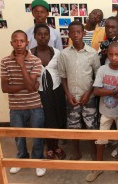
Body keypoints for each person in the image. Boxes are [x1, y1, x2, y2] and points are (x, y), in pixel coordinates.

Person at [0, 30, 46, 177]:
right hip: (15, 106)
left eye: (22, 41)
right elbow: (4, 88)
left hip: (34, 105)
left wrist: (21, 65)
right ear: (11, 43)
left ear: (27, 43)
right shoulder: (5, 61)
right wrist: (28, 86)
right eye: (15, 41)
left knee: (37, 134)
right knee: (18, 135)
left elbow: (31, 85)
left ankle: (38, 160)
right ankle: (21, 158)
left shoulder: (35, 60)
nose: (18, 44)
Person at [58, 21, 101, 162]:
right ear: (68, 34)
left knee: (91, 126)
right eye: (72, 32)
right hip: (71, 97)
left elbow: (97, 76)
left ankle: (94, 152)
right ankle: (76, 152)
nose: (75, 35)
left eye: (78, 32)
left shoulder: (92, 54)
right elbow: (63, 77)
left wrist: (89, 93)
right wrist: (67, 94)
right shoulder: (64, 54)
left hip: (88, 97)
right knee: (73, 126)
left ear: (84, 33)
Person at [91, 42, 118, 182]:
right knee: (101, 138)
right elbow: (96, 91)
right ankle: (98, 165)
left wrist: (110, 92)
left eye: (117, 54)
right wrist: (114, 90)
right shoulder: (102, 69)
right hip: (105, 111)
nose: (114, 58)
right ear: (107, 54)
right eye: (111, 54)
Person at [30, 23, 67, 160]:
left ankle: (55, 146)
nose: (43, 36)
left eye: (46, 34)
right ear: (35, 36)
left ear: (49, 36)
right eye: (39, 34)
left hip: (56, 90)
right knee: (45, 120)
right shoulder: (30, 54)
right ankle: (49, 148)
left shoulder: (56, 53)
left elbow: (61, 72)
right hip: (39, 92)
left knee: (57, 119)